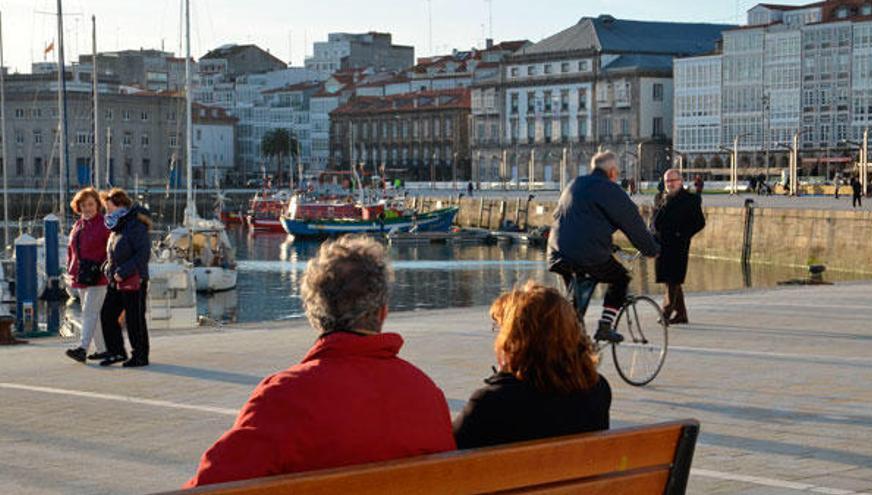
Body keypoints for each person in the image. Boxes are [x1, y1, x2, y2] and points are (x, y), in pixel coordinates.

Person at [184, 236, 454, 488]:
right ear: (382, 312)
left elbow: (211, 487)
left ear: (314, 313)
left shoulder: (285, 398)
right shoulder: (426, 394)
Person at [453, 283, 610, 449]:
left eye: (500, 329)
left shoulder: (492, 402)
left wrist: (501, 380)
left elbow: (448, 453)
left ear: (514, 339)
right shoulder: (597, 389)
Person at [548, 152, 660, 344]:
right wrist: (652, 250)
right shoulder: (609, 189)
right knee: (620, 278)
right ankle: (604, 327)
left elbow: (575, 219)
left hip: (558, 252)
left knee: (575, 309)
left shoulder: (575, 184)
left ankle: (574, 343)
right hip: (586, 254)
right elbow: (633, 225)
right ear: (613, 171)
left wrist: (608, 244)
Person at [98, 188, 153, 368]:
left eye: (109, 208)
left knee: (134, 319)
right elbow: (115, 252)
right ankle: (116, 351)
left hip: (134, 280)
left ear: (121, 206)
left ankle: (140, 355)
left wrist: (124, 271)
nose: (107, 212)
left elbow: (143, 254)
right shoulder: (117, 226)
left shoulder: (135, 225)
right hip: (117, 281)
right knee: (107, 314)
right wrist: (108, 267)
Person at [64, 188, 112, 363]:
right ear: (79, 207)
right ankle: (103, 349)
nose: (87, 208)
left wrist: (107, 267)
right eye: (83, 205)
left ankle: (82, 348)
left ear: (97, 205)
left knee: (89, 312)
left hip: (99, 276)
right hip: (82, 276)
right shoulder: (78, 225)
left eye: (90, 204)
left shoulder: (105, 224)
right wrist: (70, 270)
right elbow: (71, 250)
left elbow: (112, 249)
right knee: (93, 314)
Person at [652, 170, 705, 325]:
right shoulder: (660, 198)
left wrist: (682, 234)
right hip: (661, 244)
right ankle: (681, 314)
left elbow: (699, 223)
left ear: (681, 181)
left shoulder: (690, 199)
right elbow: (655, 219)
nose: (670, 184)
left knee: (674, 278)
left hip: (678, 244)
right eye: (667, 181)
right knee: (669, 280)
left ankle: (666, 311)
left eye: (673, 180)